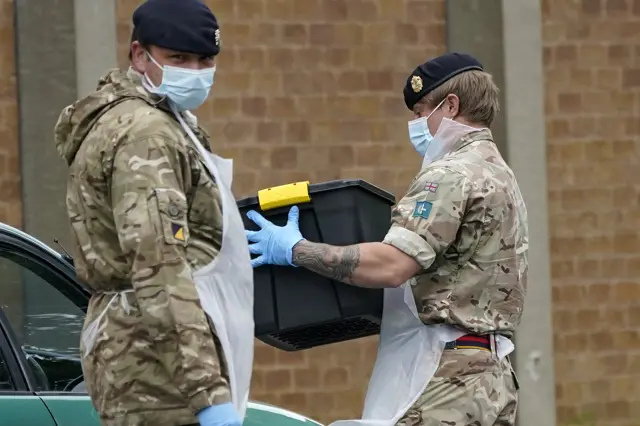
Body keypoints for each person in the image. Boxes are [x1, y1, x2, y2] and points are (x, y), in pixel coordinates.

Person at [245, 52, 527, 426]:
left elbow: (393, 265)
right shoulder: (500, 174)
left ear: (452, 105)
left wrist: (296, 250)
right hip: (491, 377)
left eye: (420, 110)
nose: (415, 122)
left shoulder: (449, 174)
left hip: (447, 377)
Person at [53, 1, 254, 425]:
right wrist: (207, 393)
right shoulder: (148, 134)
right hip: (156, 367)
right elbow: (158, 268)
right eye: (178, 59)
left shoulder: (157, 119)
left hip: (147, 352)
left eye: (205, 60)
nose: (195, 71)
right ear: (139, 55)